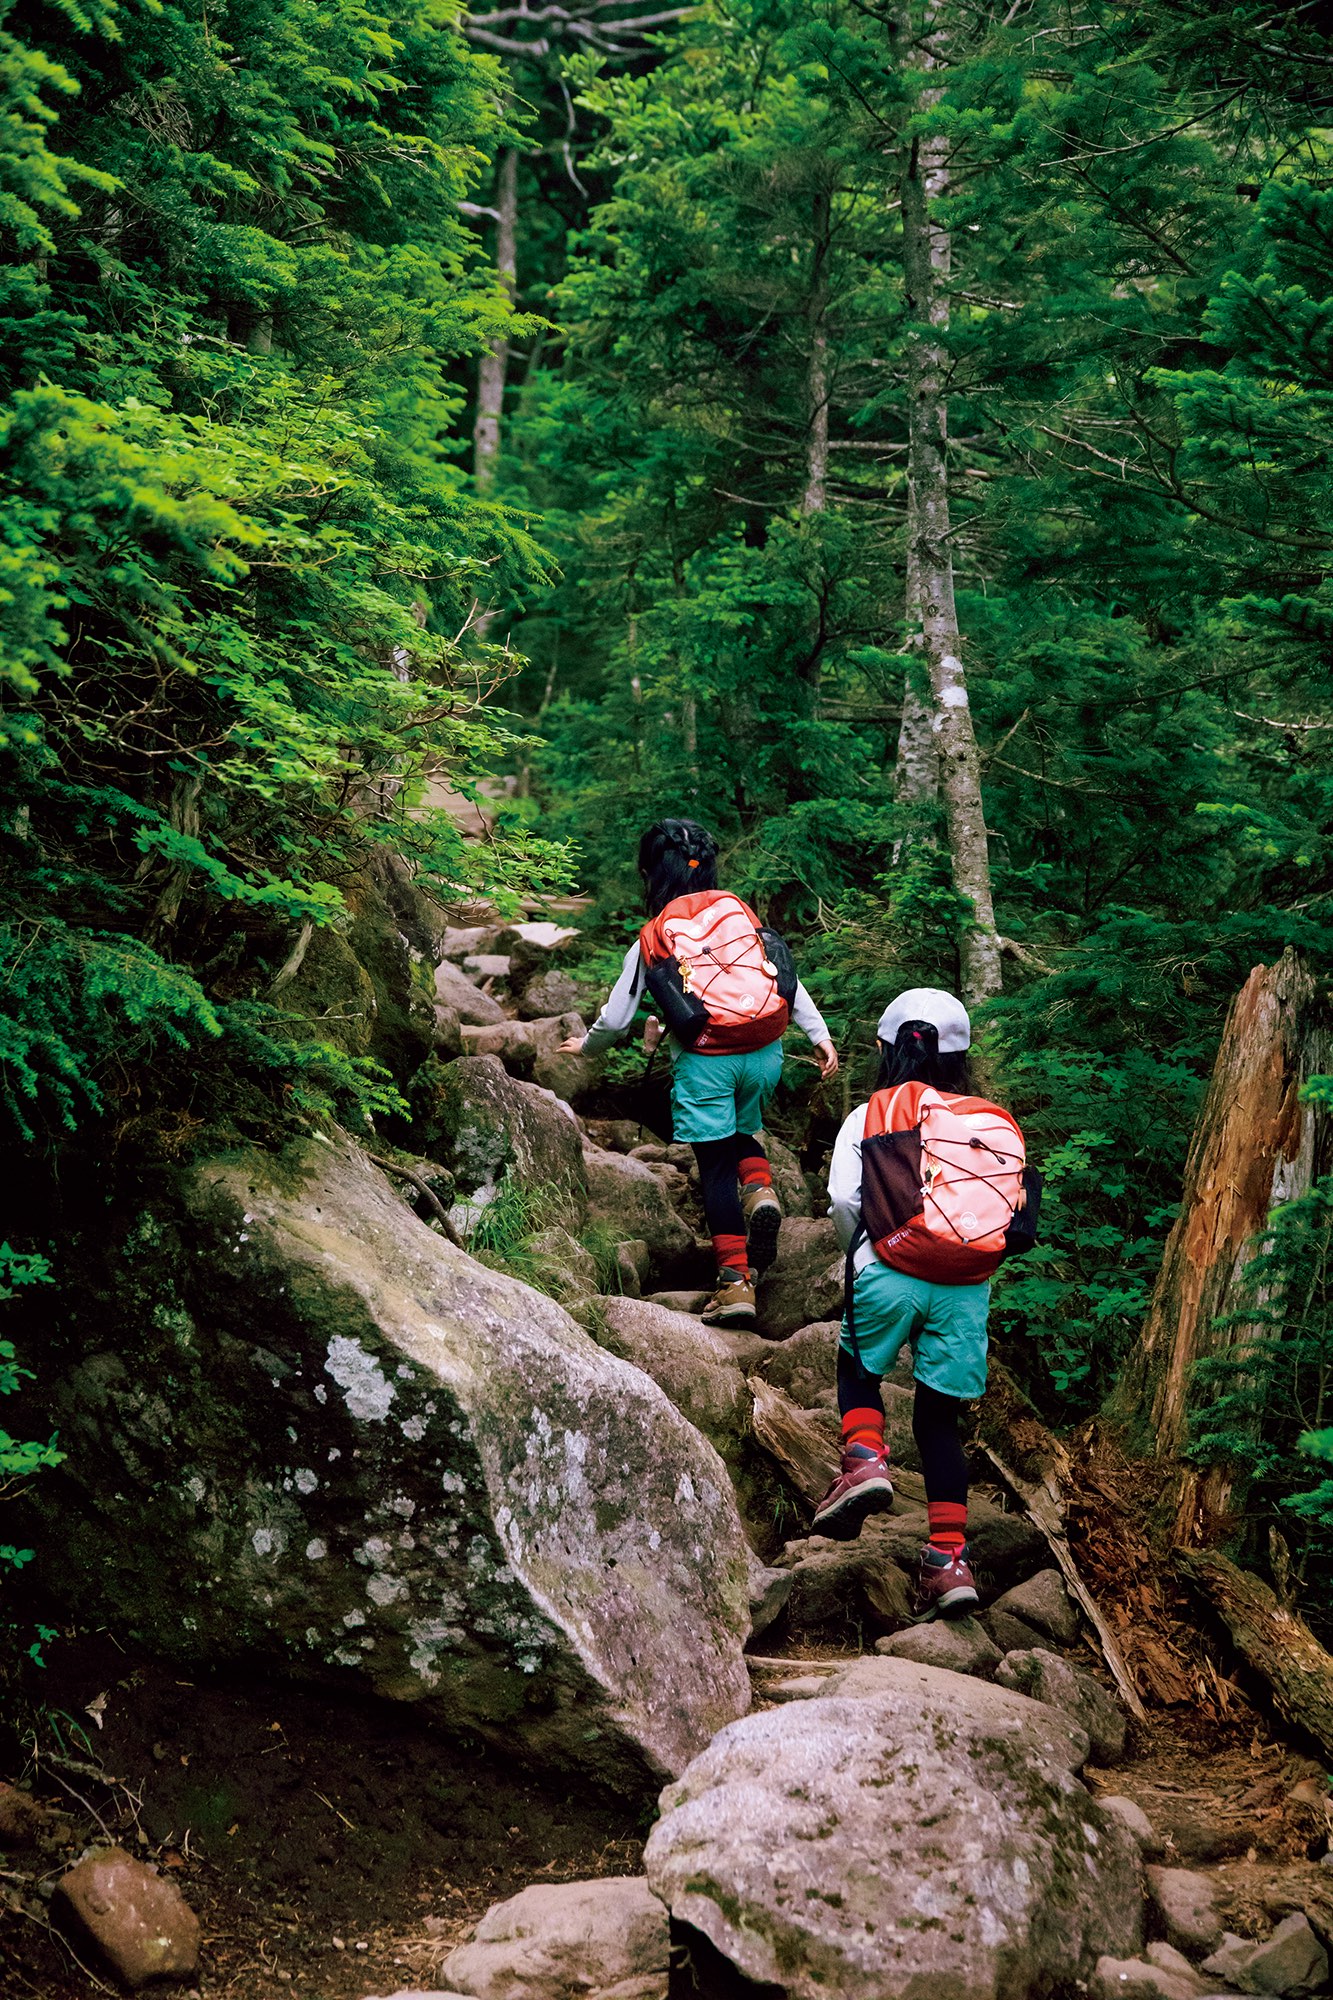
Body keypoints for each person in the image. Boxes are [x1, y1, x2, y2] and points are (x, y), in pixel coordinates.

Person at [560, 819, 839, 1328]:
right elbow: (784, 978)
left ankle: (735, 1284)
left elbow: (617, 1018)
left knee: (713, 1166)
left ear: (651, 875)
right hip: (764, 1051)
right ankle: (760, 1190)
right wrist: (820, 1037)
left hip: (707, 1060)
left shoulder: (656, 934)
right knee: (746, 1128)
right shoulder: (738, 914)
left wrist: (586, 1046)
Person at [813, 988, 1034, 1617]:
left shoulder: (873, 1113)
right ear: (962, 1055)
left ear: (887, 1048)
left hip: (887, 1266)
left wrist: (861, 1254)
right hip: (967, 1286)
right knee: (940, 1422)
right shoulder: (991, 1121)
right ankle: (948, 1560)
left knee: (858, 1367)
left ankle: (863, 1457)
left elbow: (844, 1201)